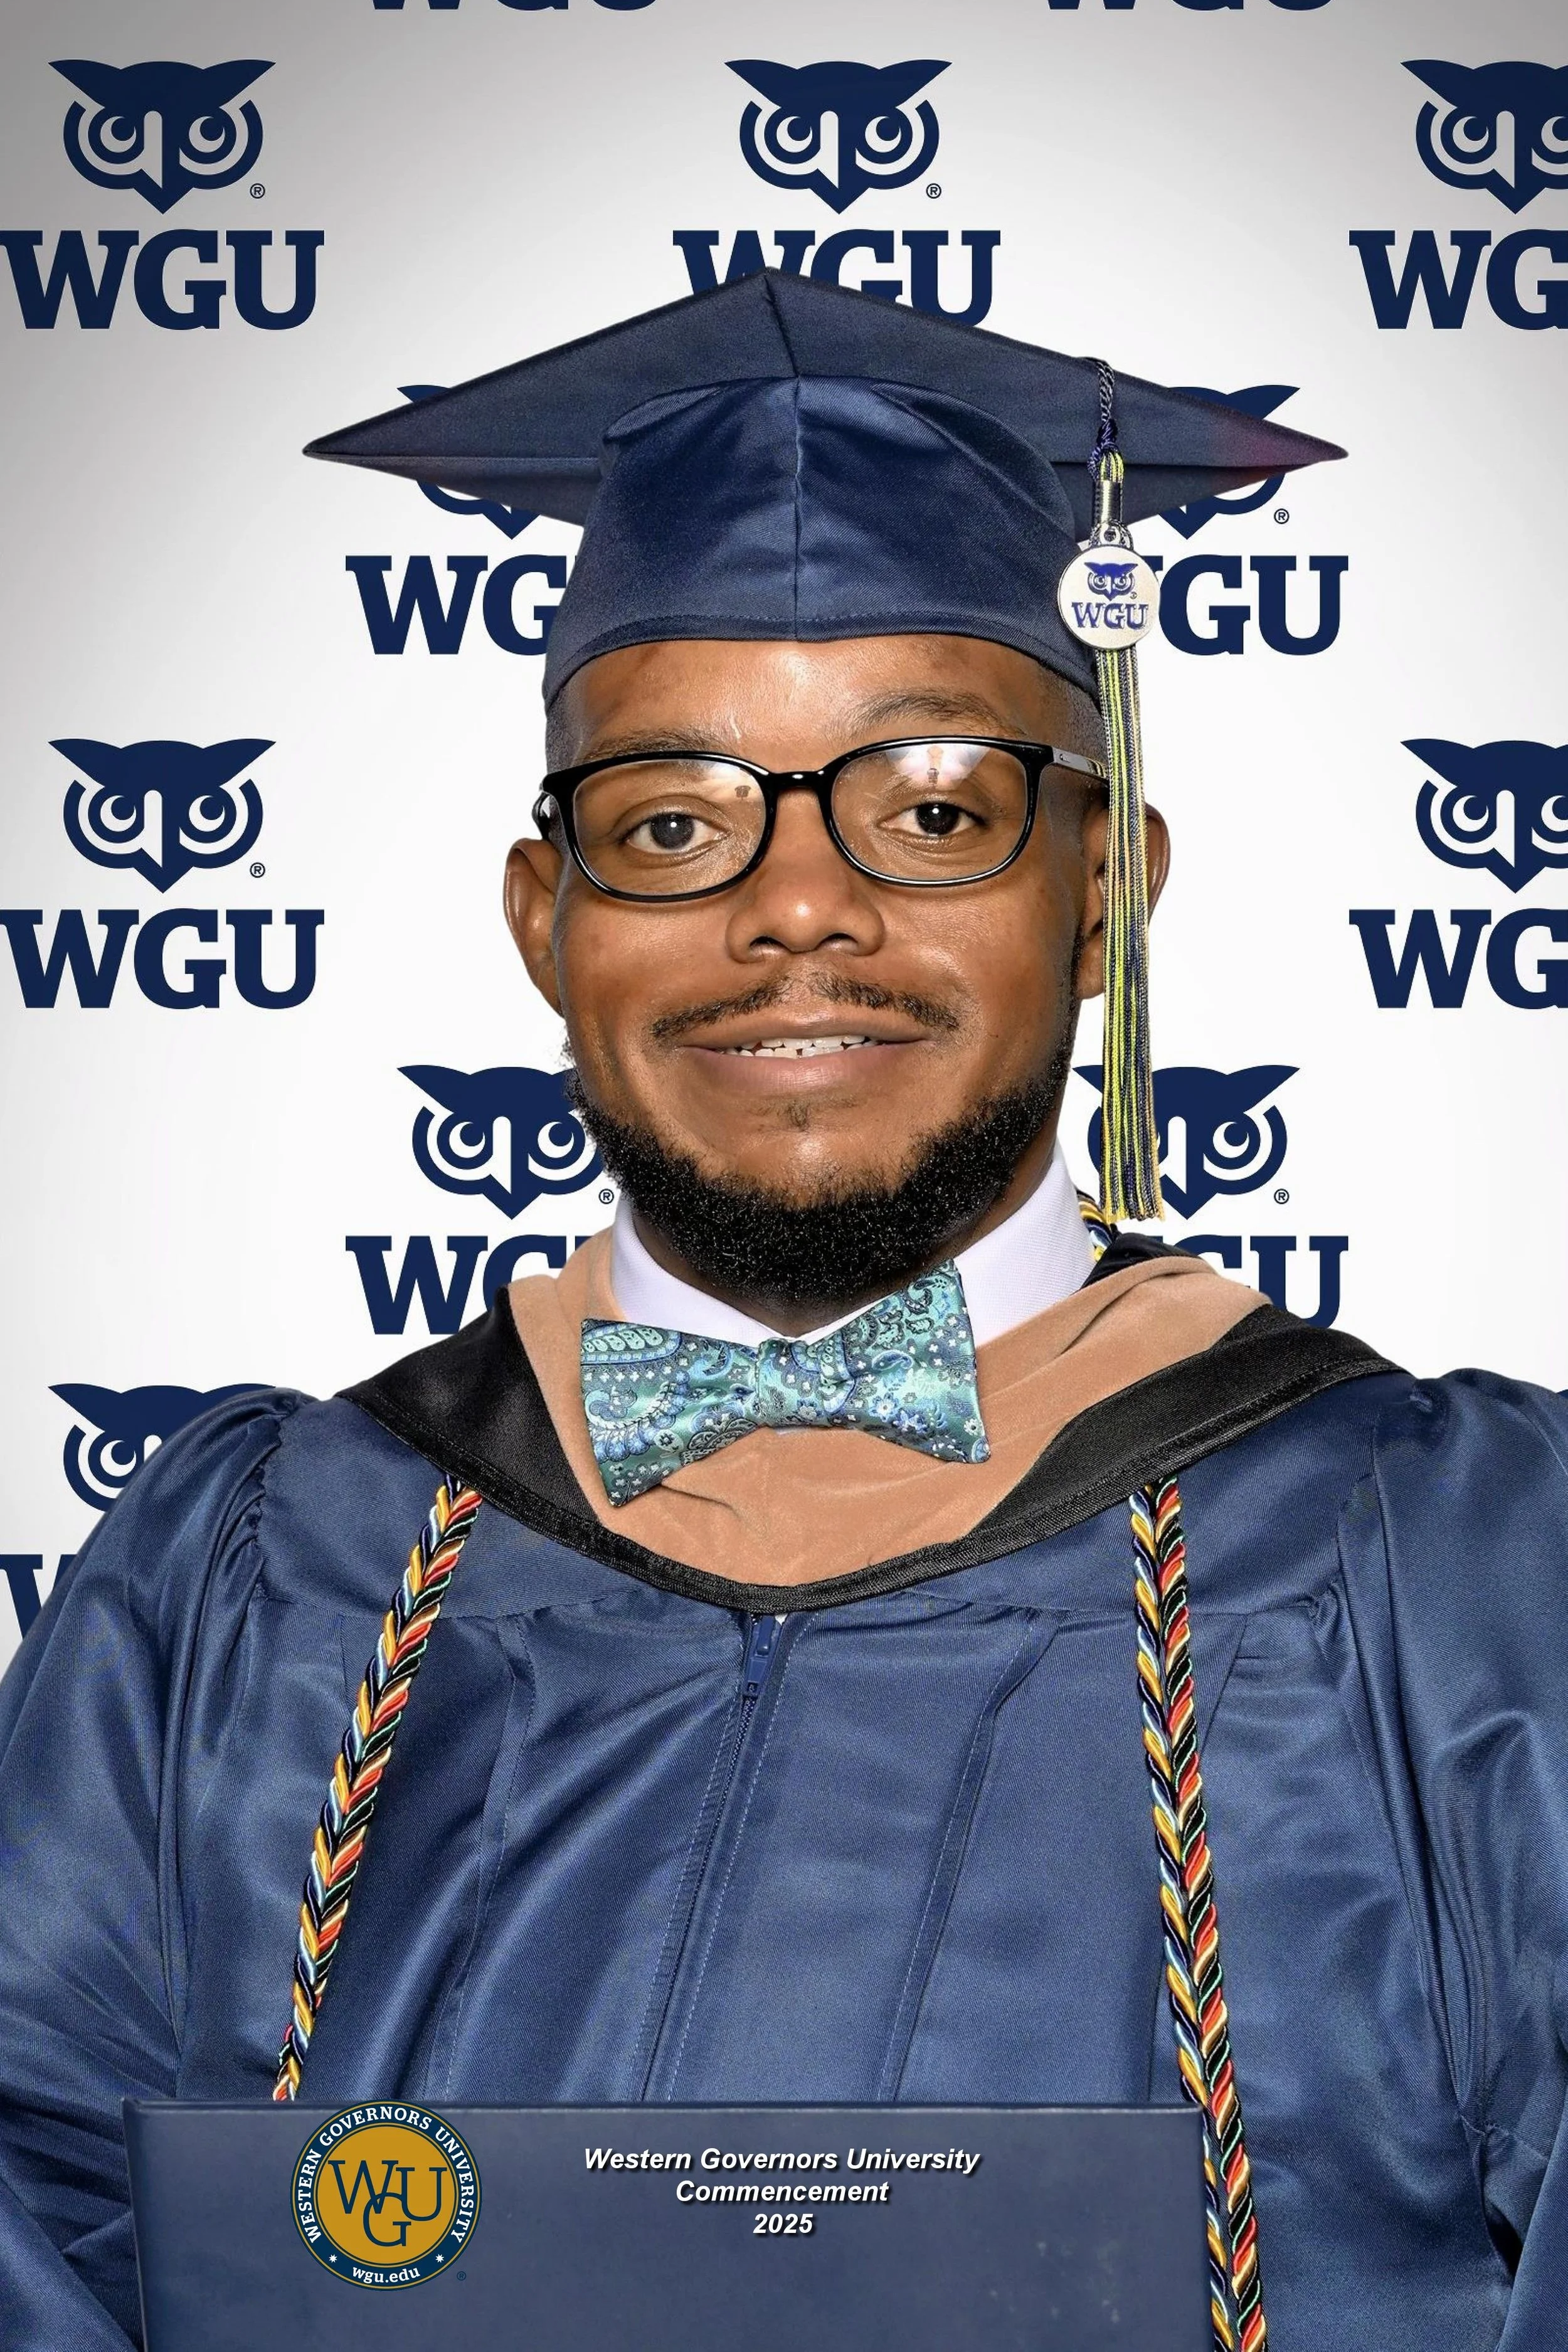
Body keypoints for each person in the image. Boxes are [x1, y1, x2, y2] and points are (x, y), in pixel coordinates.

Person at [1, 270, 1564, 2352]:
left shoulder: (1458, 1558)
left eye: (934, 811)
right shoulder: (250, 1568)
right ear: (546, 921)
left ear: (1103, 886)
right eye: (671, 822)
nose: (799, 905)